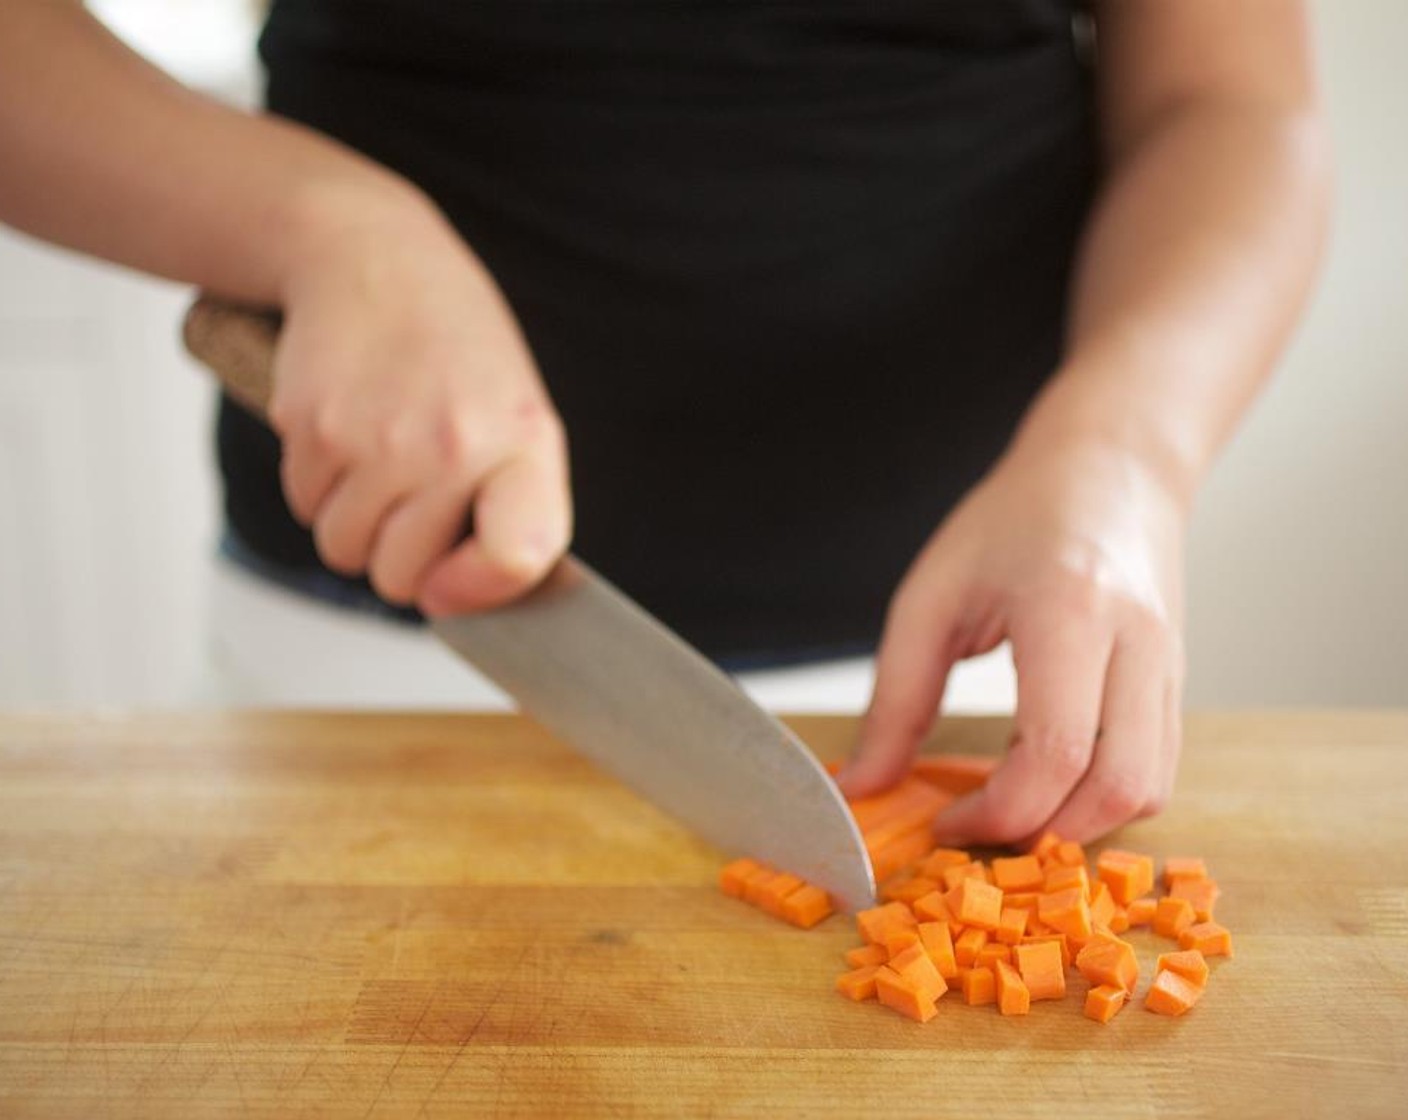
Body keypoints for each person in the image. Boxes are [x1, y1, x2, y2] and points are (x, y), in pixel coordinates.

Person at [0, 2, 1328, 844]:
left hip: (990, 692)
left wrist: (1126, 452)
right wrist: (317, 225)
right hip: (353, 677)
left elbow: (1235, 99)